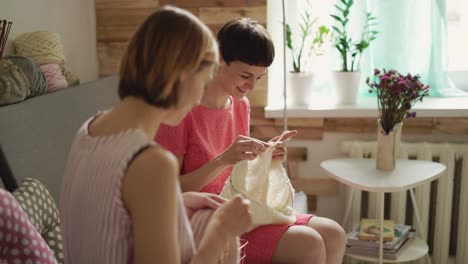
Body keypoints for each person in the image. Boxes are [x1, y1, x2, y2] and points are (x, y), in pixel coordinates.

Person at [59, 6, 252, 264]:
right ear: (182, 75)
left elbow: (110, 214)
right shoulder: (151, 163)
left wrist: (176, 197)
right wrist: (221, 233)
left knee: (205, 216)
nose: (198, 98)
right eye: (204, 82)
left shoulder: (89, 129)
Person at [155, 17, 347, 264]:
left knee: (334, 234)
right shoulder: (179, 111)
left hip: (238, 208)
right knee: (308, 243)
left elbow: (237, 174)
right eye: (246, 75)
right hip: (202, 219)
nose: (252, 86)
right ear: (218, 58)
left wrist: (264, 156)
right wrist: (223, 160)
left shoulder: (239, 105)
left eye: (260, 77)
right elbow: (168, 190)